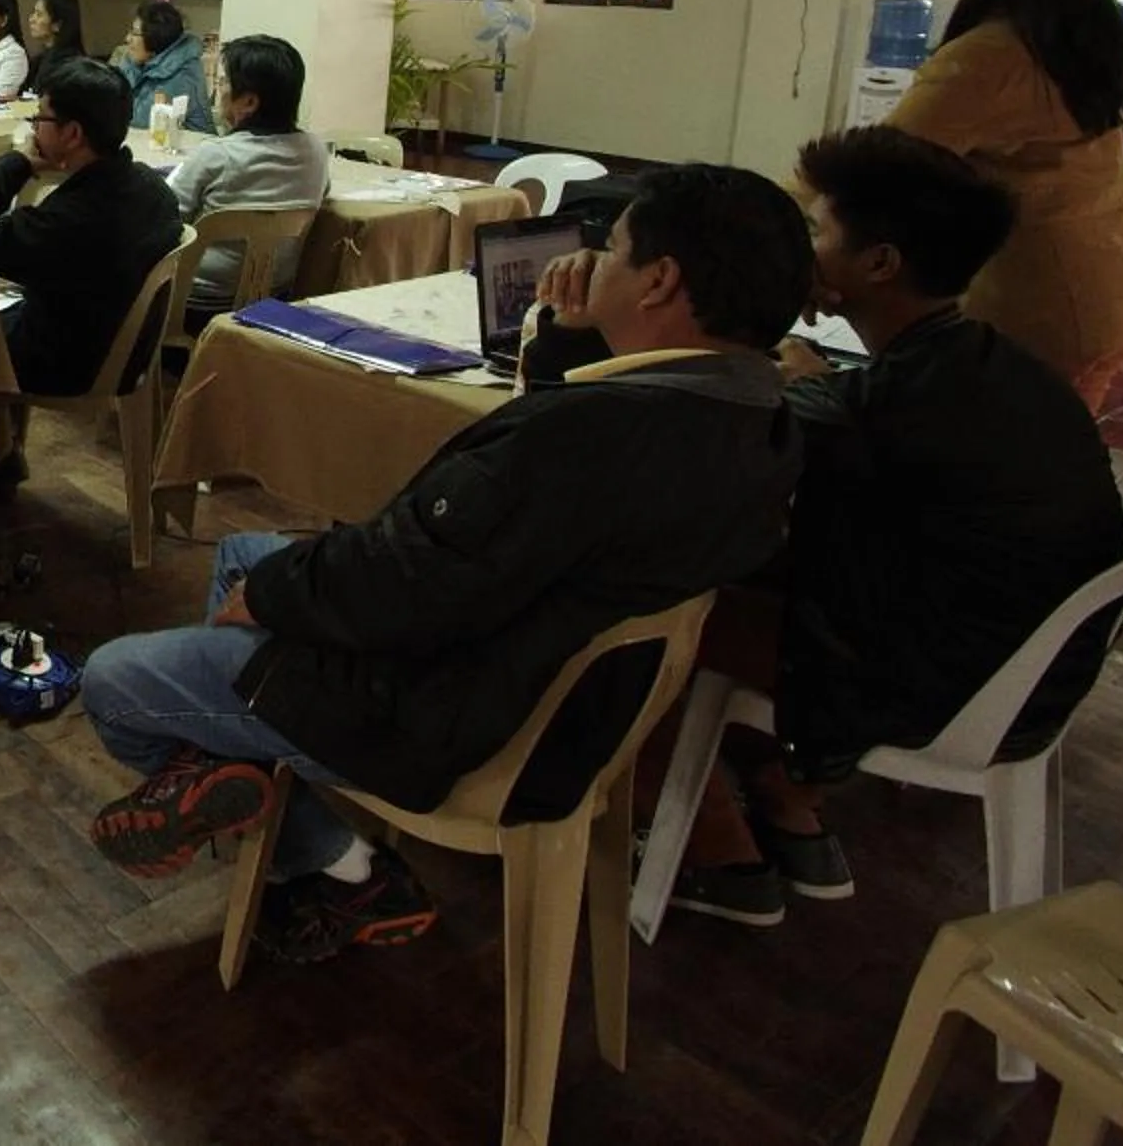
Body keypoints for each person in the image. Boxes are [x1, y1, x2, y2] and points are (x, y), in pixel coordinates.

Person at [76, 165, 807, 964]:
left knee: (115, 682)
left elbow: (413, 579)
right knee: (245, 554)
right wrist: (570, 336)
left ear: (659, 280)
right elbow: (520, 527)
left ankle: (341, 865)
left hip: (450, 711)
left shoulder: (593, 438)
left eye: (615, 249)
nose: (596, 261)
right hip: (548, 686)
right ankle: (249, 776)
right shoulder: (756, 415)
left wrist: (277, 595)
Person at [644, 127, 1123, 927]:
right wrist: (815, 380)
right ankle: (791, 799)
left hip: (941, 687)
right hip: (1032, 669)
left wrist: (787, 368)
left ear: (878, 264)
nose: (803, 249)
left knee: (651, 615)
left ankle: (716, 851)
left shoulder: (874, 410)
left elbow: (735, 437)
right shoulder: (990, 364)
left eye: (817, 230)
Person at [889, 0, 1123, 408]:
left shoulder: (991, 55)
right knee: (1046, 442)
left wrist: (773, 221)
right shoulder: (1065, 37)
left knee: (1022, 449)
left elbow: (880, 163)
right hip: (1108, 283)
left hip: (1052, 302)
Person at [0, 56, 183, 399]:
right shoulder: (152, 189)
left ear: (73, 133)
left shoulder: (68, 220)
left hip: (62, 363)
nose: (34, 129)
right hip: (124, 353)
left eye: (40, 118)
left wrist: (15, 163)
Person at [166, 35, 328, 315]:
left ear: (249, 102)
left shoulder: (216, 154)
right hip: (275, 298)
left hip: (195, 302)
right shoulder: (316, 151)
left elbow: (164, 219)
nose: (218, 92)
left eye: (223, 83)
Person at [118, 1, 214, 135]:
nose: (127, 38)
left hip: (187, 145)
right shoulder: (139, 61)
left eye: (134, 33)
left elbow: (141, 121)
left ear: (155, 37)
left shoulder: (182, 74)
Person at [19, 0, 86, 98]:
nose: (32, 19)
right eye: (33, 13)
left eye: (39, 15)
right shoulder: (40, 59)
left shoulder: (68, 65)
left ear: (57, 24)